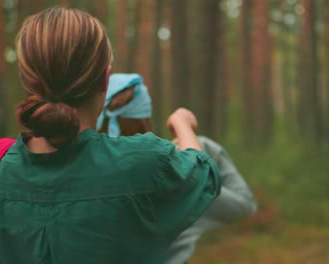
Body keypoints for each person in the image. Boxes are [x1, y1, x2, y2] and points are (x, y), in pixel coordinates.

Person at [0, 8, 220, 264]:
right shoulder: (142, 161)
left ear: (27, 81)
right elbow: (205, 174)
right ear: (105, 78)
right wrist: (182, 123)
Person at [97, 73, 258, 264]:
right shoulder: (167, 170)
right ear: (145, 119)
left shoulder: (83, 170)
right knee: (205, 147)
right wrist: (183, 127)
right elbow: (244, 206)